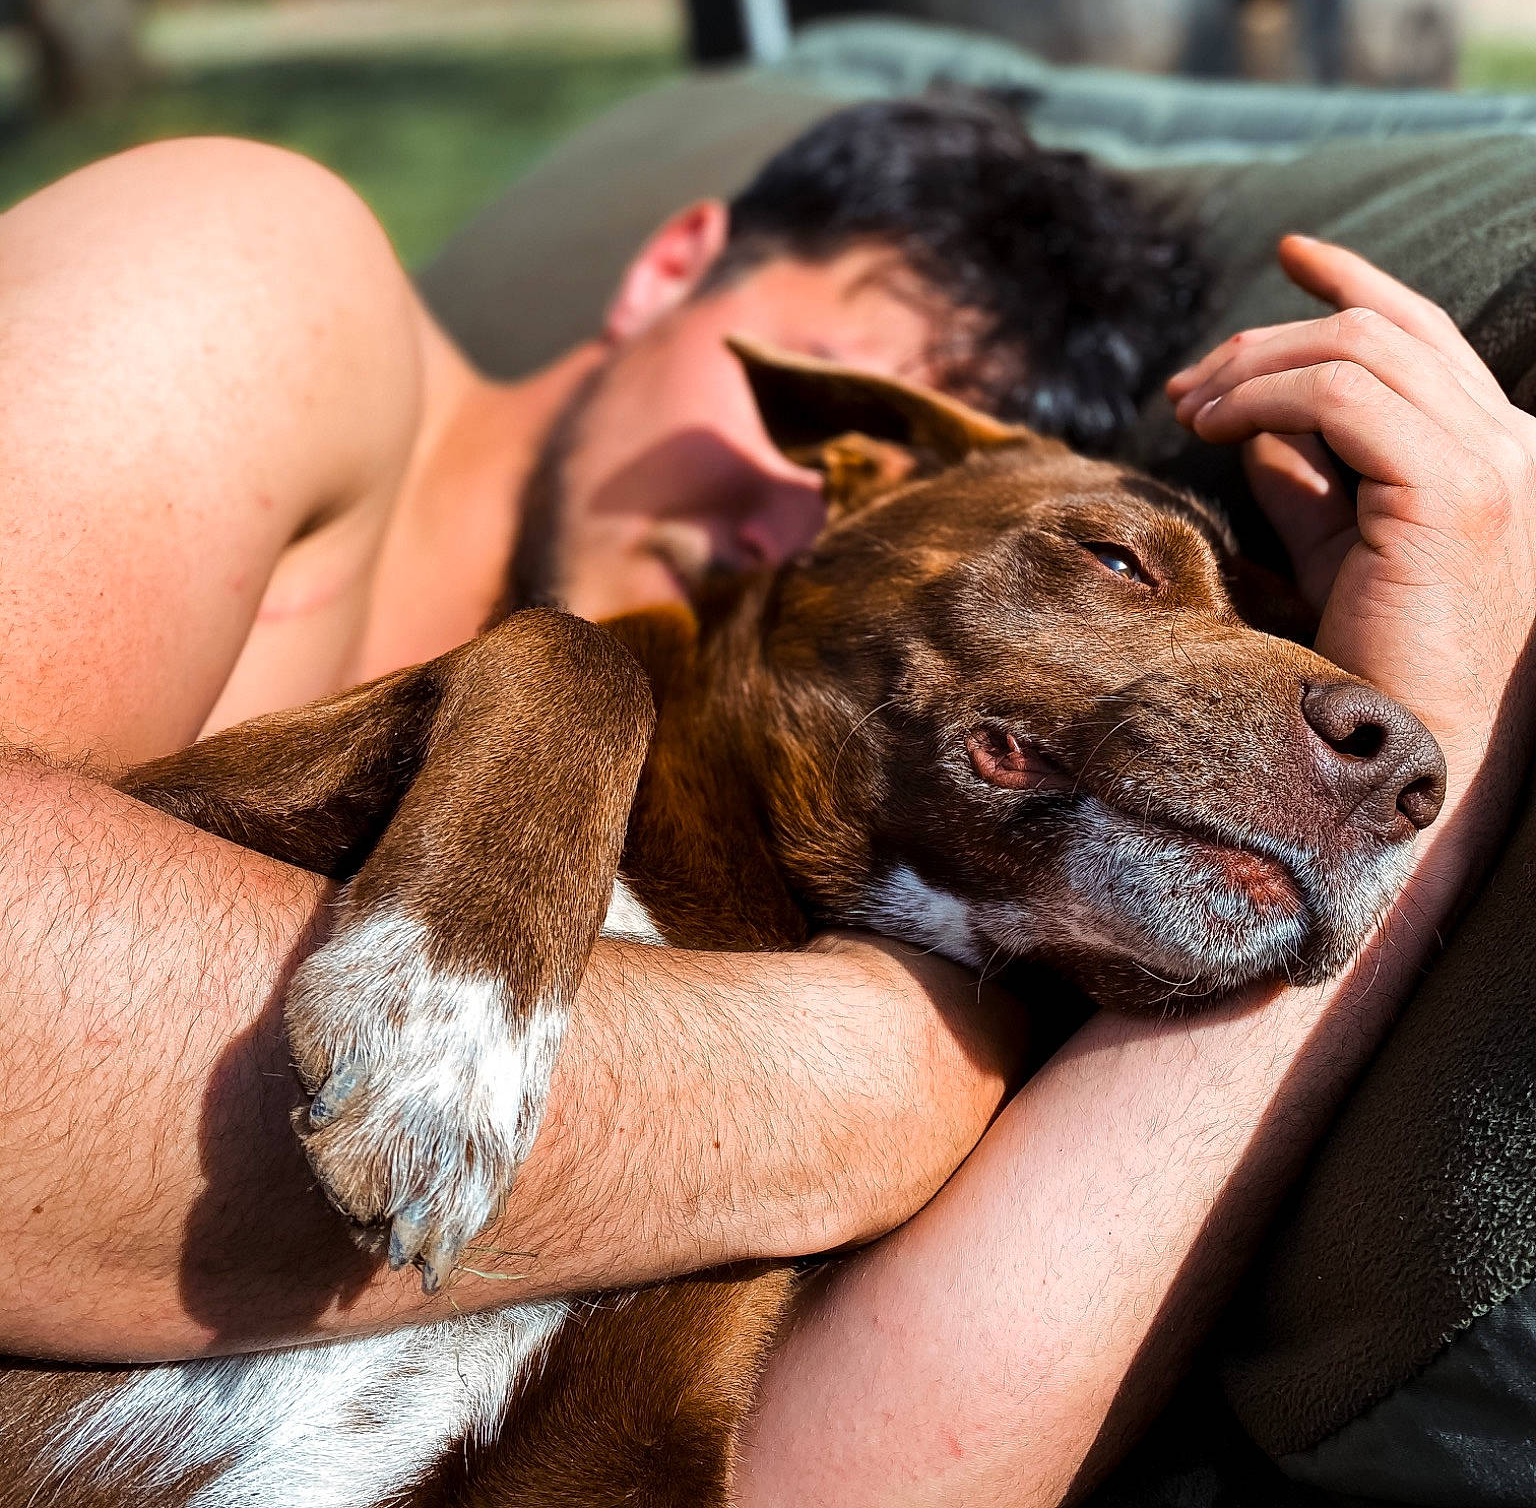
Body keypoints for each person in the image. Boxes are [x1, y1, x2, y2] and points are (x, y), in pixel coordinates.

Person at [1, 93, 1532, 1506]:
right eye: (839, 423)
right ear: (677, 269)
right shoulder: (255, 283)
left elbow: (854, 1473)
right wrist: (847, 1089)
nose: (812, 517)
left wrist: (1441, 733)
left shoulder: (862, 891)